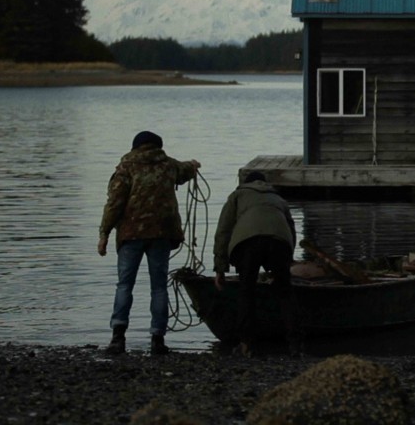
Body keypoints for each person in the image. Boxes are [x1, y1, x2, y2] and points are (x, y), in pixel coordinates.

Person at [98, 130, 200, 355]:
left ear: (135, 146)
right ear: (158, 146)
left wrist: (104, 233)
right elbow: (185, 170)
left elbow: (114, 203)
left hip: (130, 234)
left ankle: (118, 337)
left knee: (125, 285)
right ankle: (158, 340)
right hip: (161, 234)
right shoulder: (168, 165)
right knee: (159, 287)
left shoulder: (126, 166)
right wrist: (193, 166)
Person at [213, 170, 300, 356]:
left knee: (246, 292)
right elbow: (291, 229)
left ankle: (247, 344)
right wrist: (287, 261)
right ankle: (294, 346)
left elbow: (223, 231)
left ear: (246, 183)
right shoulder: (278, 199)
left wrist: (220, 269)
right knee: (285, 293)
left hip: (247, 244)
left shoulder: (237, 196)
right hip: (279, 242)